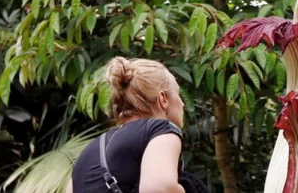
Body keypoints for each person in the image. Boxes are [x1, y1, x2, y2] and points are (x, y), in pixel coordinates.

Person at [68, 56, 203, 193]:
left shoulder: (88, 152)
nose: (183, 103)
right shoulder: (161, 131)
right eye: (178, 94)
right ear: (163, 99)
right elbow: (158, 188)